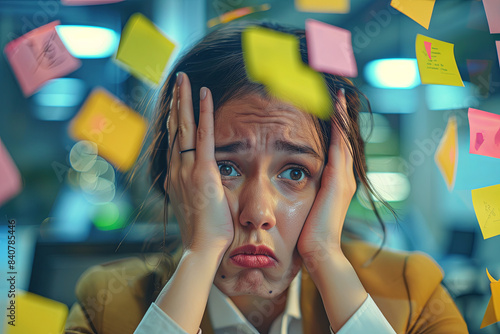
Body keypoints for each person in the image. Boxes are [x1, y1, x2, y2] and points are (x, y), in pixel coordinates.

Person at [64, 21, 468, 334]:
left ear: (338, 182)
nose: (257, 212)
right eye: (225, 168)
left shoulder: (412, 292)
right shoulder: (107, 305)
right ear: (175, 176)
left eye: (295, 172)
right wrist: (200, 255)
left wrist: (326, 256)